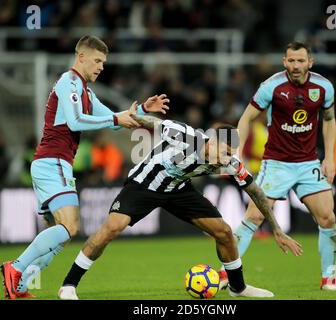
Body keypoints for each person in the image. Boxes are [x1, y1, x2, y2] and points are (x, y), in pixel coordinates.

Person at [57, 115, 303, 300]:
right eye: (225, 152)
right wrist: (136, 116)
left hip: (178, 189)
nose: (226, 160)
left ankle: (238, 288)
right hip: (145, 184)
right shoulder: (188, 137)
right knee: (112, 228)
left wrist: (277, 229)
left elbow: (257, 193)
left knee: (224, 232)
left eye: (231, 154)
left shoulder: (231, 163)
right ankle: (68, 284)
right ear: (212, 141)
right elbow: (156, 123)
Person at [0, 35, 169, 299]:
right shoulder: (69, 83)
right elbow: (77, 121)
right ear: (81, 57)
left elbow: (112, 120)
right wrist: (115, 117)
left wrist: (140, 110)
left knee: (61, 234)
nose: (101, 66)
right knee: (70, 227)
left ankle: (19, 285)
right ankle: (16, 269)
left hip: (55, 164)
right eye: (97, 60)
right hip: (52, 162)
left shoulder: (85, 91)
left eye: (104, 62)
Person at [221, 41, 336, 292]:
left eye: (301, 61)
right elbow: (246, 117)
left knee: (327, 217)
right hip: (276, 164)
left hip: (308, 164)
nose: (296, 65)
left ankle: (329, 278)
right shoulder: (271, 86)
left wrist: (330, 158)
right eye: (291, 60)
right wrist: (236, 152)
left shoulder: (323, 87)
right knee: (254, 216)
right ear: (284, 61)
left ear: (310, 62)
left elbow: (330, 120)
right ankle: (226, 274)